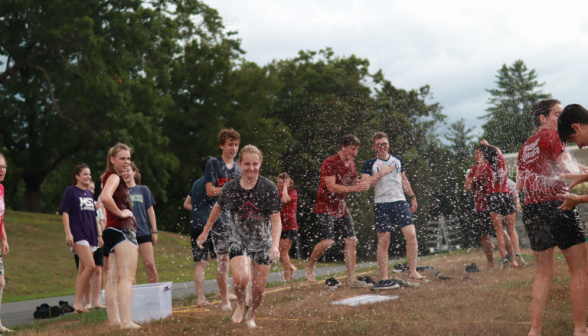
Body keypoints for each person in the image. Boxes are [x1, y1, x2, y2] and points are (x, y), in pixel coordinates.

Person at [519, 100, 588, 336]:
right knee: (580, 270)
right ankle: (580, 330)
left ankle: (535, 330)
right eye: (557, 114)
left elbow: (520, 183)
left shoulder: (525, 146)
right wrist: (582, 172)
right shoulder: (552, 135)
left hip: (532, 208)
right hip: (558, 204)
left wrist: (582, 171)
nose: (561, 120)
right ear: (542, 118)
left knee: (543, 273)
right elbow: (565, 165)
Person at [198, 145, 282, 328]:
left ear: (260, 164)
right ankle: (240, 303)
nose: (251, 168)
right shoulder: (231, 188)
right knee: (241, 279)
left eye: (255, 164)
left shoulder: (269, 187)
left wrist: (275, 245)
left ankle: (251, 315)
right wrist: (205, 231)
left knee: (259, 290)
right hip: (239, 240)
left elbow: (276, 221)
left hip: (263, 243)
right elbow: (217, 209)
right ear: (239, 164)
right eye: (247, 164)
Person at [305, 134, 370, 285]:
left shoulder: (352, 164)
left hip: (341, 207)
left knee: (352, 240)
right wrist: (355, 188)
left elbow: (354, 182)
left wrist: (366, 182)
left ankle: (351, 279)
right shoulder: (330, 162)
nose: (355, 152)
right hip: (325, 206)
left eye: (357, 149)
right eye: (353, 149)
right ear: (343, 147)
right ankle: (309, 266)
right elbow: (332, 187)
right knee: (327, 242)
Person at [361, 132, 422, 282]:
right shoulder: (370, 164)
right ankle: (384, 277)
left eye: (384, 144)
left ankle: (413, 271)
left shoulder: (397, 160)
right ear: (374, 147)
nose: (382, 147)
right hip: (381, 204)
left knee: (412, 236)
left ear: (389, 144)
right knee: (384, 241)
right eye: (379, 144)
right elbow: (365, 184)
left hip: (400, 202)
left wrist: (412, 197)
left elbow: (404, 180)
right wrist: (381, 173)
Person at [100, 143, 140, 329]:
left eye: (129, 159)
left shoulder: (111, 177)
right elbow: (105, 197)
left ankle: (114, 320)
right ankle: (125, 321)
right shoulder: (114, 176)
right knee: (127, 277)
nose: (127, 162)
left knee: (113, 277)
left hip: (112, 231)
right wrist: (122, 212)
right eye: (123, 158)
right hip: (121, 230)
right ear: (112, 160)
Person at [203, 129, 242, 310]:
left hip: (238, 218)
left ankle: (243, 295)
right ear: (222, 145)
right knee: (223, 261)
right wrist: (232, 188)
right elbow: (211, 191)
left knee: (242, 258)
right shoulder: (213, 163)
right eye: (230, 144)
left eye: (236, 144)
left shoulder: (240, 168)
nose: (233, 148)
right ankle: (225, 300)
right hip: (219, 218)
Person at [465, 149, 520, 268]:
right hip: (481, 206)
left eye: (477, 153)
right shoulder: (474, 169)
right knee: (484, 235)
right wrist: (478, 169)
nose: (475, 155)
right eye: (474, 153)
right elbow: (468, 187)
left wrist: (516, 200)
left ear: (484, 154)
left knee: (503, 233)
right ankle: (491, 262)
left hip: (494, 203)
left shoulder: (493, 164)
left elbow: (506, 181)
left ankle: (513, 260)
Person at [60, 164, 104, 313]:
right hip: (78, 233)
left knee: (82, 271)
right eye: (85, 174)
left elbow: (93, 217)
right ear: (77, 176)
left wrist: (98, 234)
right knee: (91, 267)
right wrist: (68, 233)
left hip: (91, 234)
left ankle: (78, 305)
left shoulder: (89, 194)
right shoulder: (71, 191)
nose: (88, 177)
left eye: (89, 174)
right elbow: (65, 212)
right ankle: (78, 303)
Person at [183, 156, 215, 307]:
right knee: (223, 259)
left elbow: (186, 204)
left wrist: (198, 211)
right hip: (212, 225)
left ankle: (200, 298)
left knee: (201, 263)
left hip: (195, 224)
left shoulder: (196, 183)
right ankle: (225, 293)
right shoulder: (214, 184)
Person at [123, 162, 158, 284]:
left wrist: (154, 231)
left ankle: (155, 294)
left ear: (134, 172)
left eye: (128, 170)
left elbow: (150, 210)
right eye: (123, 171)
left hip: (143, 231)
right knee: (131, 269)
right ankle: (133, 299)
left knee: (150, 265)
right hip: (127, 233)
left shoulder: (143, 189)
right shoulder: (119, 191)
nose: (125, 173)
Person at [72, 181, 105, 310]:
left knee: (97, 269)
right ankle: (83, 302)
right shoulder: (77, 199)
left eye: (93, 189)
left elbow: (98, 221)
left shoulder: (93, 202)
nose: (92, 191)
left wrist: (100, 235)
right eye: (90, 189)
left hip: (95, 238)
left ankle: (95, 301)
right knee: (85, 270)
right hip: (82, 239)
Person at [277, 173, 298, 282]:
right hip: (280, 226)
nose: (278, 184)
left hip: (290, 226)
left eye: (281, 182)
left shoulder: (293, 192)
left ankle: (286, 277)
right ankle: (292, 268)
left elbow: (285, 199)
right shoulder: (279, 193)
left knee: (283, 253)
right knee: (279, 254)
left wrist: (285, 187)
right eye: (278, 182)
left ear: (288, 183)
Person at [0, 155, 12, 332]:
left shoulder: (1, 188)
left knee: (0, 283)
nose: (2, 170)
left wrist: (4, 238)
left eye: (4, 167)